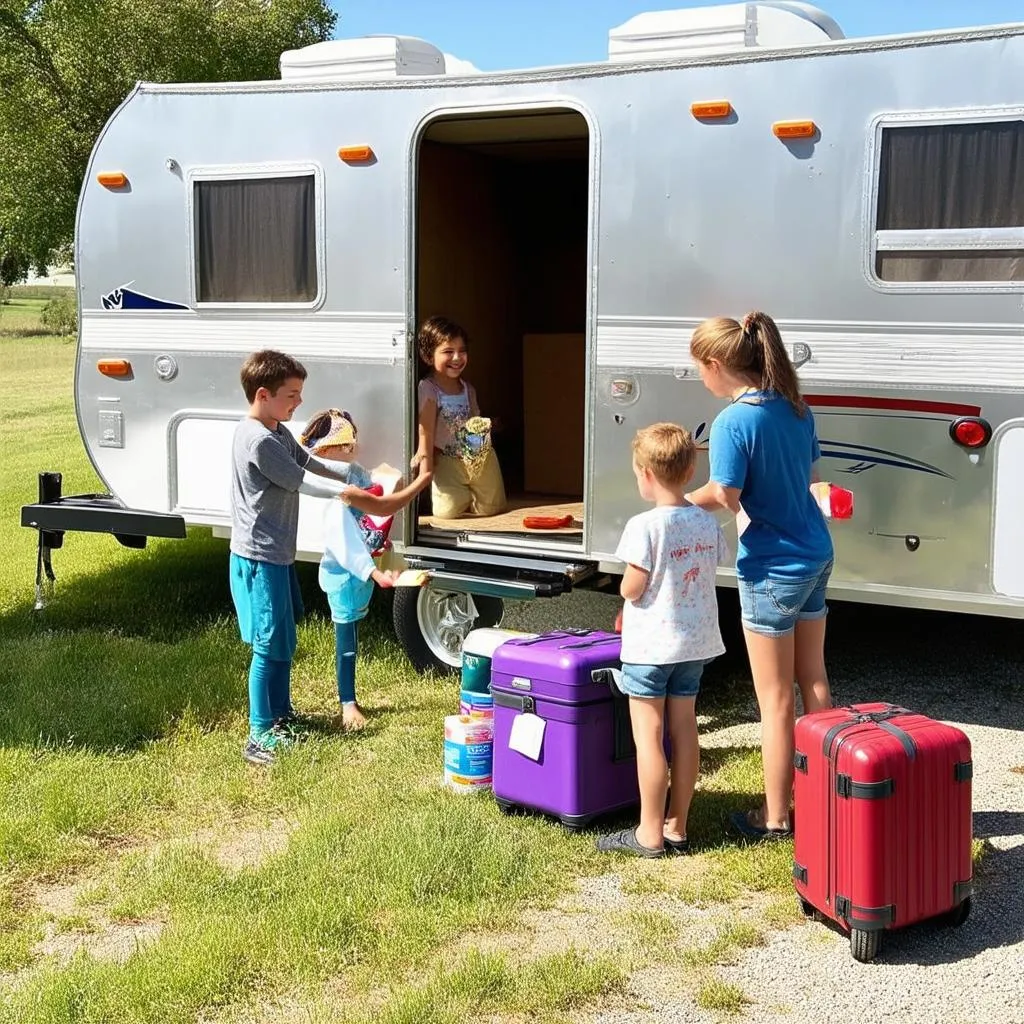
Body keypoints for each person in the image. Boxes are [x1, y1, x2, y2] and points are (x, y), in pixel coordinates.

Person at [228, 350, 430, 767]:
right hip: (258, 556)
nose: (299, 403)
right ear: (263, 394)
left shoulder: (277, 429)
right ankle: (259, 732)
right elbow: (300, 480)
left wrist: (358, 475)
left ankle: (281, 715)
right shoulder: (258, 440)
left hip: (276, 554)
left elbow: (310, 461)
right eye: (292, 395)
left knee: (284, 639)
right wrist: (353, 495)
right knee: (267, 645)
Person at [683, 311, 834, 841]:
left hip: (772, 568)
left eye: (698, 369)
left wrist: (677, 501)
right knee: (812, 678)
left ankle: (774, 818)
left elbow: (724, 496)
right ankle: (828, 800)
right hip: (816, 553)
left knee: (774, 700)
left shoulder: (732, 422)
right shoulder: (797, 408)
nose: (699, 379)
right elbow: (814, 481)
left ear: (717, 364)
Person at [595, 423, 728, 858]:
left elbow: (632, 588)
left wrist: (625, 593)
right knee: (685, 730)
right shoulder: (705, 523)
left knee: (649, 738)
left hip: (651, 649)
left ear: (645, 475)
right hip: (694, 647)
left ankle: (648, 832)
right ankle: (678, 825)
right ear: (690, 471)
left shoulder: (643, 526)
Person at [299, 408, 431, 730]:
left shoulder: (355, 480)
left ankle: (350, 698)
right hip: (346, 575)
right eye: (344, 446)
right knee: (346, 642)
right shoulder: (336, 495)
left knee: (353, 634)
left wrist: (384, 550)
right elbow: (345, 543)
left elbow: (368, 525)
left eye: (351, 444)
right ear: (325, 452)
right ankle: (347, 702)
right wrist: (373, 571)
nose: (351, 450)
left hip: (364, 570)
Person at [412, 315, 506, 519]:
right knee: (447, 512)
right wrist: (425, 464)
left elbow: (475, 424)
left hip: (476, 455)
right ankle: (463, 496)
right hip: (447, 458)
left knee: (491, 509)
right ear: (429, 356)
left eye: (462, 351)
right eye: (448, 352)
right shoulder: (429, 388)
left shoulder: (467, 389)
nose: (457, 358)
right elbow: (425, 429)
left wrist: (478, 453)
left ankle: (474, 495)